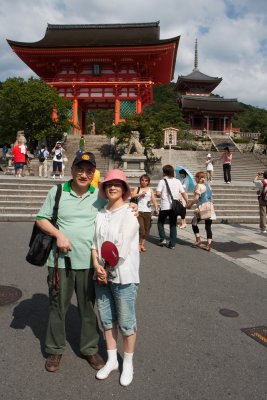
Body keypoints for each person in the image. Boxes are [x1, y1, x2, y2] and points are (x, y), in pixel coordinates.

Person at [36, 152, 107, 373]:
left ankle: (89, 348)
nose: (84, 174)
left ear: (93, 173)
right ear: (72, 169)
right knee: (58, 306)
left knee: (87, 308)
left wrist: (132, 207)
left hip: (89, 263)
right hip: (60, 262)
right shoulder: (57, 192)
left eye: (89, 170)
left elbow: (116, 211)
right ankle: (55, 349)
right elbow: (41, 219)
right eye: (80, 168)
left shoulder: (99, 195)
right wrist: (59, 235)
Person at [92, 169, 139, 386]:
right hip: (101, 274)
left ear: (124, 189)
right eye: (109, 184)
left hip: (123, 276)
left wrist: (105, 269)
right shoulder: (100, 213)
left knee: (127, 323)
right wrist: (96, 266)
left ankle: (127, 363)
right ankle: (112, 360)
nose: (112, 187)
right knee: (107, 320)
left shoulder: (130, 214)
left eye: (117, 184)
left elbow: (120, 250)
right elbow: (94, 243)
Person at [156, 165, 189, 249]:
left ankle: (163, 238)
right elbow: (183, 192)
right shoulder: (177, 181)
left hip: (165, 205)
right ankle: (172, 244)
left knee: (160, 222)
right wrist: (187, 202)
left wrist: (158, 194)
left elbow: (158, 193)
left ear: (164, 172)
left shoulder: (162, 181)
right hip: (174, 206)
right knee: (173, 224)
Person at [187, 171, 215, 251]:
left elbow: (196, 199)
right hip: (210, 206)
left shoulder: (198, 186)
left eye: (196, 177)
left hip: (202, 207)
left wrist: (190, 205)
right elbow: (211, 197)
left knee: (194, 223)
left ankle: (198, 239)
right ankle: (209, 244)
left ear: (198, 178)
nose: (195, 178)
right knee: (208, 226)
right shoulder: (208, 185)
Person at [131, 174, 158, 252]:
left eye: (146, 180)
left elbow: (153, 199)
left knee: (146, 230)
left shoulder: (150, 190)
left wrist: (156, 208)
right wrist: (140, 194)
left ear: (148, 182)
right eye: (142, 180)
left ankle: (142, 244)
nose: (144, 182)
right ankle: (138, 245)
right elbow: (132, 196)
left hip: (148, 212)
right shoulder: (138, 188)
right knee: (141, 229)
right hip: (139, 211)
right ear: (140, 181)